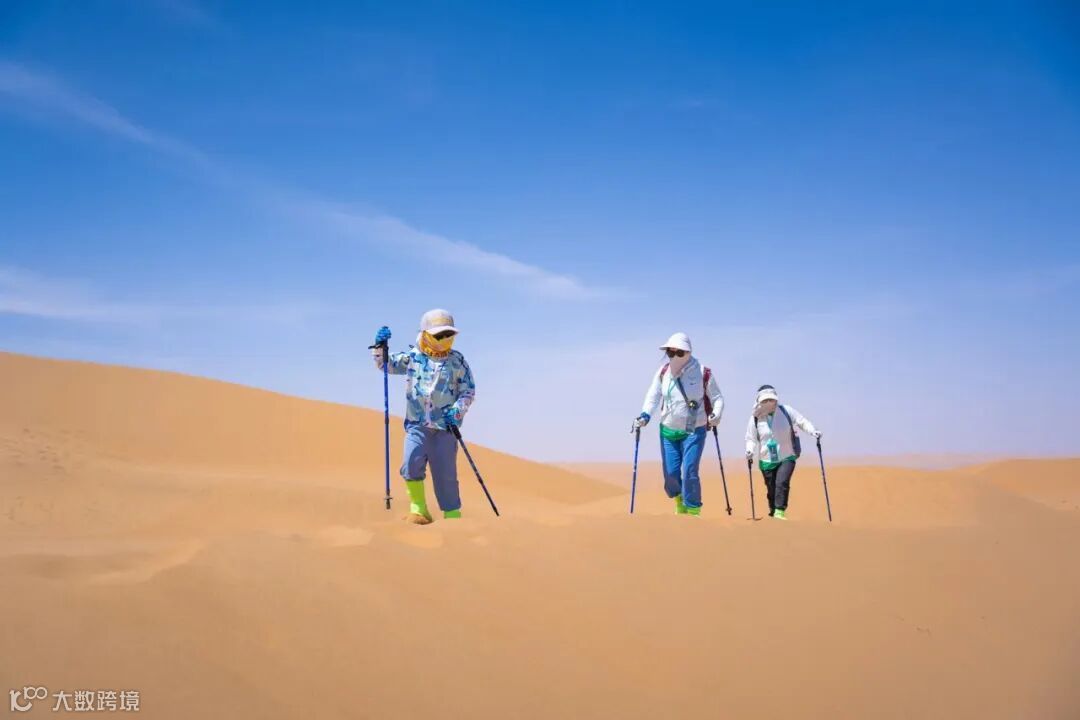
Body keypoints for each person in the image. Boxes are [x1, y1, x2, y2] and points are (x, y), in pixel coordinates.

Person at [371, 309, 475, 525]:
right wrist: (380, 347)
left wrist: (456, 411)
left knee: (446, 474)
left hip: (446, 428)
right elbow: (385, 365)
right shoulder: (413, 357)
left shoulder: (457, 361)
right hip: (417, 424)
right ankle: (419, 509)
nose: (444, 339)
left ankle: (452, 516)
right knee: (411, 463)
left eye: (448, 334)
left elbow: (468, 391)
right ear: (426, 334)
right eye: (439, 335)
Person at [633, 333, 725, 515]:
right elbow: (653, 395)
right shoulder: (663, 372)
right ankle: (679, 499)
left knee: (690, 470)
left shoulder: (703, 373)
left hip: (694, 430)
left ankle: (693, 510)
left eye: (679, 353)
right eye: (670, 352)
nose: (675, 357)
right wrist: (645, 415)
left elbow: (717, 398)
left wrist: (716, 414)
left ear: (688, 353)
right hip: (668, 430)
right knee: (671, 473)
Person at [744, 385, 821, 520]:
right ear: (759, 401)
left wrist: (813, 431)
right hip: (767, 459)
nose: (769, 403)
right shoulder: (755, 418)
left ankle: (780, 511)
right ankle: (773, 511)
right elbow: (751, 438)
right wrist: (749, 450)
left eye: (771, 400)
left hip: (787, 455)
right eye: (765, 401)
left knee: (782, 483)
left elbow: (802, 421)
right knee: (771, 488)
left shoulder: (786, 411)